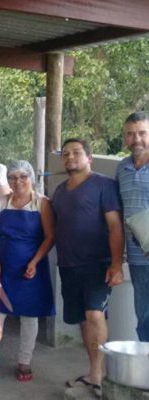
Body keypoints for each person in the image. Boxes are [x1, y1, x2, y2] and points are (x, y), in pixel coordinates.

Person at [53, 138, 124, 397]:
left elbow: (115, 226)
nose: (70, 157)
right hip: (68, 265)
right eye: (66, 154)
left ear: (89, 158)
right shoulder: (60, 191)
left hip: (98, 264)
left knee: (95, 316)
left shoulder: (104, 185)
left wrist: (116, 264)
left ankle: (98, 376)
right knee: (83, 320)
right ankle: (95, 372)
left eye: (76, 153)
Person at [0, 160, 55, 382]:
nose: (18, 182)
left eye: (23, 177)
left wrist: (35, 262)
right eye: (13, 177)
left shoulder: (42, 204)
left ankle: (24, 361)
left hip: (31, 267)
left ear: (31, 178)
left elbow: (49, 237)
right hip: (4, 266)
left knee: (29, 316)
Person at [116, 111, 149, 341]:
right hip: (138, 259)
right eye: (130, 134)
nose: (136, 139)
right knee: (144, 317)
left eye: (142, 133)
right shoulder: (122, 168)